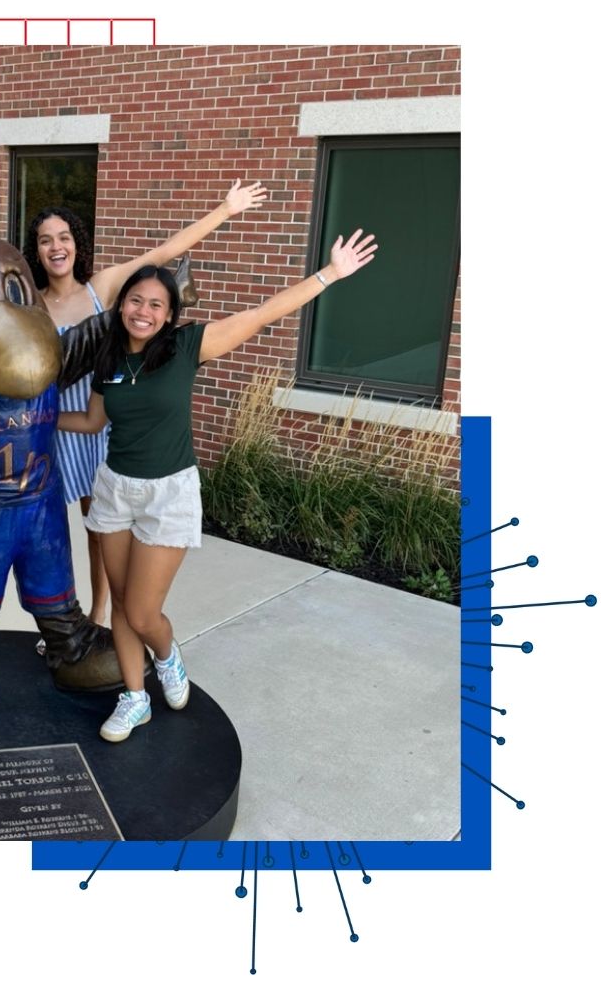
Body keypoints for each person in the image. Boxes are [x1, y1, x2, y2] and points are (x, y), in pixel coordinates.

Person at [58, 229, 378, 741]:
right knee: (120, 603)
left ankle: (167, 656)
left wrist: (331, 274)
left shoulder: (187, 346)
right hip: (115, 489)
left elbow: (261, 315)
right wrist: (40, 417)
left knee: (143, 612)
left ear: (169, 314)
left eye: (156, 304)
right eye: (135, 300)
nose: (143, 310)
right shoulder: (108, 358)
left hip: (169, 494)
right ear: (122, 306)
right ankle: (135, 698)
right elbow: (93, 422)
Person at [23, 181, 266, 628]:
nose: (55, 247)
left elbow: (167, 252)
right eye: (44, 240)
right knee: (53, 532)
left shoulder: (103, 287)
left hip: (102, 419)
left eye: (64, 238)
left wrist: (225, 210)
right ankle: (65, 621)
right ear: (35, 251)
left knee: (100, 529)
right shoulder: (30, 305)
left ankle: (100, 616)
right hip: (57, 426)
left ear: (77, 244)